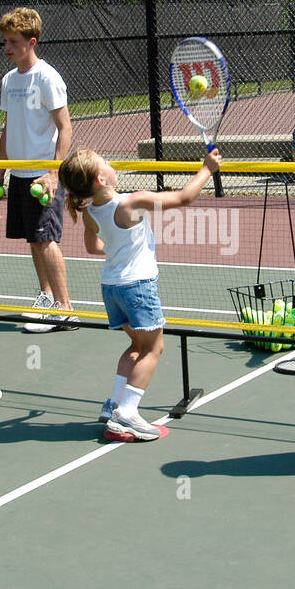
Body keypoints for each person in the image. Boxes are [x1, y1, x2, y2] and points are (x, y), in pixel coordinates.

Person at [58, 146, 223, 441]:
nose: (110, 164)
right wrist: (207, 169)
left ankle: (114, 405)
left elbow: (94, 248)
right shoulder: (131, 202)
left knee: (136, 346)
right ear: (100, 179)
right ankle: (128, 413)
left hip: (112, 288)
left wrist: (119, 245)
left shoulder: (91, 210)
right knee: (153, 349)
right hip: (137, 287)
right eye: (105, 162)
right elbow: (184, 198)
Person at [0, 7, 77, 332]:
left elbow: (65, 127)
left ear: (31, 42)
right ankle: (46, 297)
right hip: (19, 175)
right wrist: (0, 172)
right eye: (5, 41)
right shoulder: (9, 80)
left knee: (46, 239)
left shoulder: (47, 77)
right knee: (33, 239)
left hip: (44, 176)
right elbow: (9, 127)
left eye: (13, 41)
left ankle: (65, 309)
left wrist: (54, 173)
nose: (7, 47)